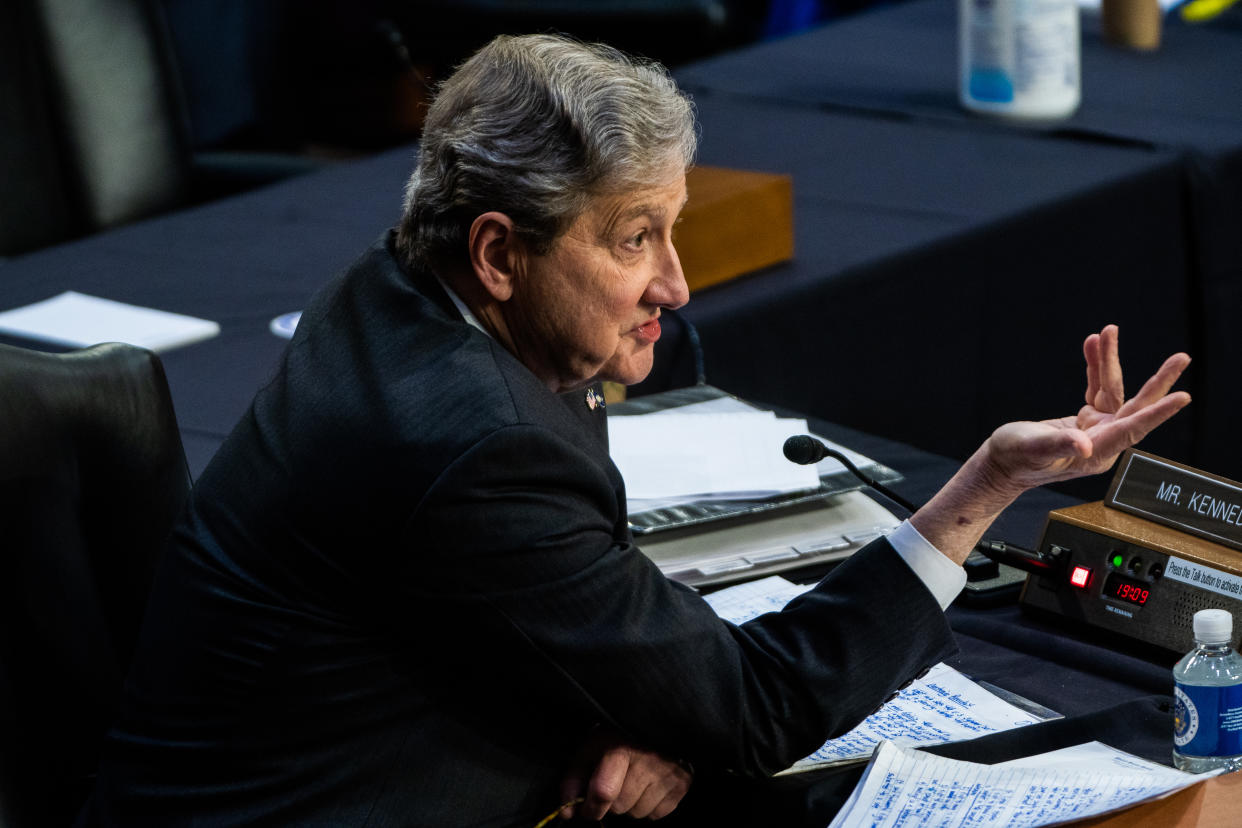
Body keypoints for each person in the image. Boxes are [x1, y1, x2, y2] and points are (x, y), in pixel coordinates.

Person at [79, 33, 1190, 827]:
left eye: (673, 228)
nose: (679, 283)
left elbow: (516, 609)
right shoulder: (467, 439)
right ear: (500, 254)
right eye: (634, 239)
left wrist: (644, 712)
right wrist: (986, 486)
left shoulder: (397, 291)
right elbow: (758, 712)